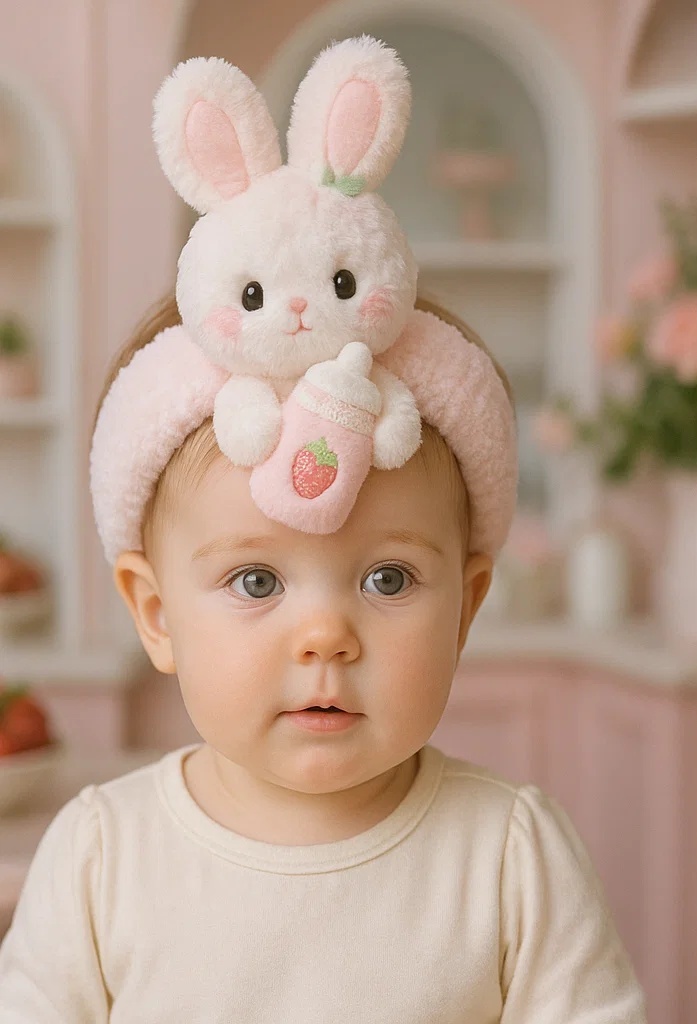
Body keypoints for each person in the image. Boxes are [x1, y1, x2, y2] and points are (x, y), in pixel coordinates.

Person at [0, 38, 647, 1024]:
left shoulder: (510, 858)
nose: (325, 637)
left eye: (387, 579)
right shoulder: (99, 860)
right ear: (156, 611)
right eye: (256, 581)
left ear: (467, 604)